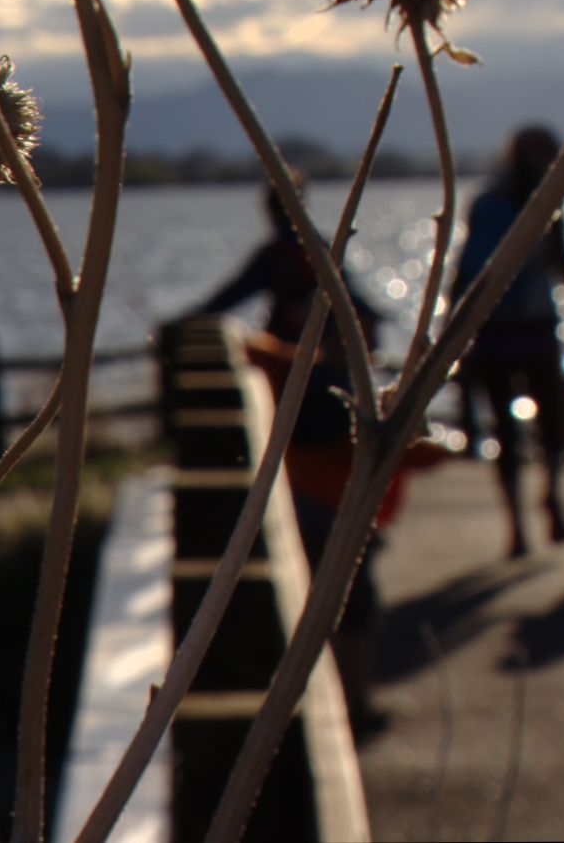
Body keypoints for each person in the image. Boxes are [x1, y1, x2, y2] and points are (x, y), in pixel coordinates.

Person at [186, 176, 413, 734]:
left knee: (322, 584)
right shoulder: (312, 256)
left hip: (303, 403)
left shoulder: (294, 263)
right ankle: (346, 699)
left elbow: (232, 300)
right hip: (320, 415)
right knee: (345, 588)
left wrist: (188, 323)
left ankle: (332, 700)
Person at [452, 125, 564, 559]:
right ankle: (532, 509)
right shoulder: (535, 202)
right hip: (518, 328)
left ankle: (525, 518)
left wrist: (453, 320)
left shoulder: (494, 202)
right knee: (542, 425)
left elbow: (464, 268)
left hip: (505, 329)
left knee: (522, 428)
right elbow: (563, 266)